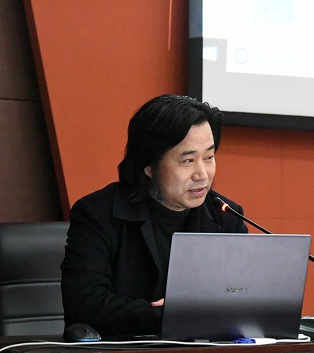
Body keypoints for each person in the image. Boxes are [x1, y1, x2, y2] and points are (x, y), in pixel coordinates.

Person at [61, 94, 248, 336]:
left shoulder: (227, 217)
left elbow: (243, 299)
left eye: (209, 157)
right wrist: (164, 316)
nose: (202, 174)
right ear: (149, 166)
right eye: (188, 160)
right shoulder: (97, 214)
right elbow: (85, 306)